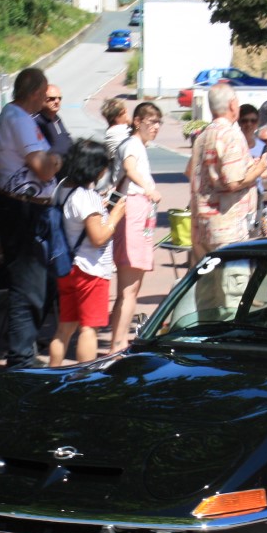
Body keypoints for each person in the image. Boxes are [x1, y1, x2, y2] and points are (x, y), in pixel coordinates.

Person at [0, 68, 62, 369]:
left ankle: (23, 350)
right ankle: (20, 358)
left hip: (23, 206)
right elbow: (44, 168)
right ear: (35, 93)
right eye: (45, 94)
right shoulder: (19, 120)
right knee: (27, 283)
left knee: (39, 281)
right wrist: (58, 157)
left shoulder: (14, 117)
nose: (47, 100)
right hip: (22, 208)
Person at [48, 141, 127, 367]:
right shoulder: (86, 195)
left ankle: (52, 374)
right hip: (89, 269)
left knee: (64, 327)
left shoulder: (62, 187)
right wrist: (114, 216)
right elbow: (98, 237)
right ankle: (85, 378)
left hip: (67, 265)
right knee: (88, 329)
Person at [106, 101, 163, 353]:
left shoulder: (138, 145)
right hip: (134, 215)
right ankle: (118, 344)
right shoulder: (131, 145)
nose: (156, 127)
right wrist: (149, 189)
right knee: (128, 289)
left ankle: (118, 341)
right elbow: (129, 169)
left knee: (131, 289)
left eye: (158, 122)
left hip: (140, 217)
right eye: (151, 122)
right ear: (138, 122)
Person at [188, 84, 264, 263]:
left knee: (208, 288)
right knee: (232, 288)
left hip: (203, 226)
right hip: (228, 229)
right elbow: (233, 182)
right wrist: (259, 169)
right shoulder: (231, 135)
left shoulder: (202, 136)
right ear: (232, 105)